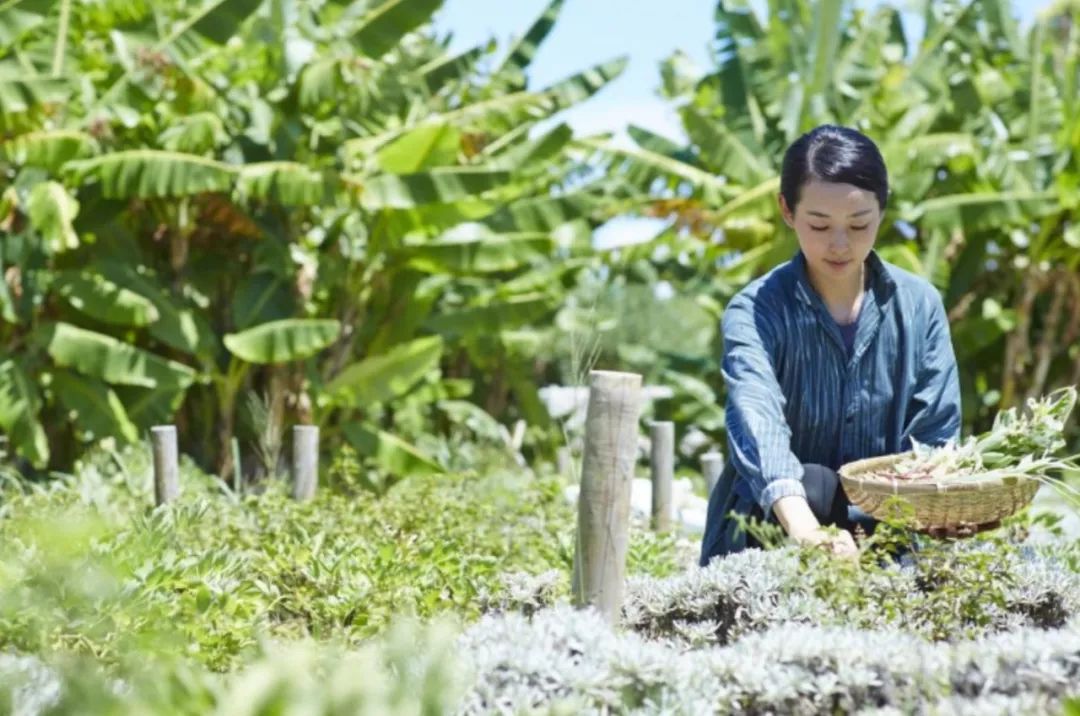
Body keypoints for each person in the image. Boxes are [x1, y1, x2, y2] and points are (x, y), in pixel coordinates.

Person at [700, 124, 982, 566]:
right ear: (787, 211)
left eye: (858, 224)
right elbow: (758, 424)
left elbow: (935, 437)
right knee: (812, 484)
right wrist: (808, 532)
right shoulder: (753, 311)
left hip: (893, 525)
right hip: (774, 526)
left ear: (882, 213)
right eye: (819, 224)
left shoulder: (920, 305)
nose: (839, 244)